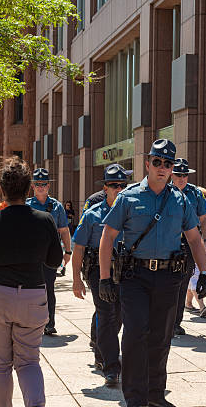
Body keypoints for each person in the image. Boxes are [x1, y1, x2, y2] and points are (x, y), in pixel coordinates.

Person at [98, 139, 206, 407]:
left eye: (167, 163)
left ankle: (155, 395)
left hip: (169, 277)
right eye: (157, 162)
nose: (162, 167)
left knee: (161, 338)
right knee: (136, 334)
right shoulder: (128, 197)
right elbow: (107, 237)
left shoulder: (180, 200)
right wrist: (104, 278)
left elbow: (195, 239)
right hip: (135, 277)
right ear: (147, 163)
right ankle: (135, 398)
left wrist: (204, 273)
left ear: (172, 168)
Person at [0, 156, 63, 407]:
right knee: (29, 362)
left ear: (2, 189)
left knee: (0, 365)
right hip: (33, 296)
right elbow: (55, 260)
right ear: (28, 187)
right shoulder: (45, 220)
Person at [71, 163, 131, 386]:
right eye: (114, 185)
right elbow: (78, 248)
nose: (118, 189)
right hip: (98, 270)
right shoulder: (92, 215)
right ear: (105, 188)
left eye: (122, 185)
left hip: (125, 269)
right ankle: (111, 367)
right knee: (106, 315)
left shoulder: (132, 212)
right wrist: (76, 279)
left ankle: (102, 348)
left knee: (120, 316)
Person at [26, 168, 71, 335]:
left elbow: (64, 230)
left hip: (50, 255)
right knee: (30, 289)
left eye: (44, 184)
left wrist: (68, 252)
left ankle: (49, 322)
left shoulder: (57, 206)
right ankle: (31, 322)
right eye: (38, 184)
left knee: (48, 289)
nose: (41, 187)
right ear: (33, 186)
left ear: (48, 186)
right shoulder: (26, 206)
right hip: (30, 255)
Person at [170, 158, 206, 335]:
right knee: (166, 284)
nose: (181, 178)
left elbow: (204, 220)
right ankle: (164, 321)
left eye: (185, 175)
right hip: (168, 243)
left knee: (182, 283)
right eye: (178, 174)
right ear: (172, 174)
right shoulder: (163, 191)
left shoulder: (195, 194)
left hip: (188, 243)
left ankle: (175, 323)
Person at [185, 186, 206, 317]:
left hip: (204, 248)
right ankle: (202, 305)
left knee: (193, 275)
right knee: (195, 276)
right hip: (193, 247)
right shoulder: (190, 211)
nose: (205, 199)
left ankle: (188, 303)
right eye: (203, 196)